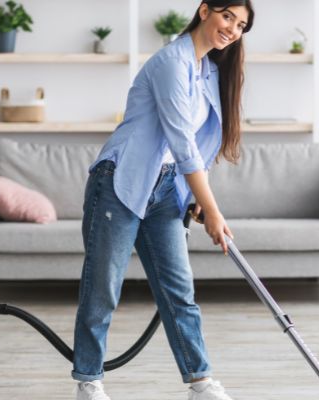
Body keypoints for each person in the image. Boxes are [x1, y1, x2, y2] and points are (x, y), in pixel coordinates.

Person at [72, 1, 254, 399]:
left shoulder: (208, 71)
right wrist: (214, 210)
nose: (232, 29)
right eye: (227, 16)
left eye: (241, 25)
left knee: (178, 290)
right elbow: (182, 142)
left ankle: (199, 382)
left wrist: (196, 197)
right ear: (204, 11)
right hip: (120, 180)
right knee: (103, 288)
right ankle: (88, 381)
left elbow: (198, 148)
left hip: (166, 188)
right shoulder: (171, 63)